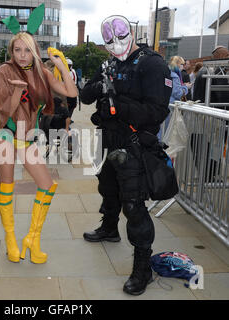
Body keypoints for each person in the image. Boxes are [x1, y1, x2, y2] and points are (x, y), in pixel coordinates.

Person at [80, 15, 172, 296]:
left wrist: (118, 106)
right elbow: (85, 95)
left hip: (135, 144)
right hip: (110, 139)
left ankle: (142, 266)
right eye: (109, 41)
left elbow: (157, 111)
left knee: (133, 205)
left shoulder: (151, 63)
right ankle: (109, 228)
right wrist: (102, 90)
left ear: (131, 33)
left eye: (120, 38)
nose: (116, 44)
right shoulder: (108, 64)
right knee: (108, 189)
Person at [0, 12, 77, 264]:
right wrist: (18, 91)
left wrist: (60, 65)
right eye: (17, 49)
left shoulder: (42, 71)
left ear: (34, 51)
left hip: (28, 138)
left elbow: (70, 93)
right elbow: (1, 111)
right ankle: (10, 238)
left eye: (26, 50)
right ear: (12, 51)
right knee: (7, 186)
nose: (21, 55)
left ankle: (32, 238)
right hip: (5, 134)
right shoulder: (5, 72)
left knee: (47, 185)